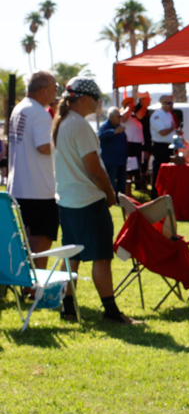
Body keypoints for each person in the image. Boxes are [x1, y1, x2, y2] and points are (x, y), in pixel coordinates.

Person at [51, 76, 139, 325]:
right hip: (88, 201)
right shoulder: (79, 125)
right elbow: (93, 167)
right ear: (84, 98)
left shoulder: (63, 122)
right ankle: (111, 312)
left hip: (68, 200)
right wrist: (110, 193)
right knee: (101, 256)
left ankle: (68, 308)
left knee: (72, 255)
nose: (98, 103)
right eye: (96, 98)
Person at [8, 70, 59, 267]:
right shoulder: (39, 113)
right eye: (55, 88)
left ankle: (27, 280)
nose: (56, 92)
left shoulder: (20, 108)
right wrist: (63, 143)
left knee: (29, 242)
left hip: (21, 187)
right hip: (39, 190)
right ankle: (36, 283)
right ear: (43, 90)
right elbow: (43, 146)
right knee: (41, 242)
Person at [98, 106, 129, 195]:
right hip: (110, 161)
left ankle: (120, 199)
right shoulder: (105, 126)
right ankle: (110, 198)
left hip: (121, 160)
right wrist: (114, 132)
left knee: (121, 183)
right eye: (118, 117)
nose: (120, 119)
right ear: (111, 117)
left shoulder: (119, 127)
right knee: (111, 182)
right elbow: (100, 136)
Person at [149, 95, 176, 191]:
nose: (171, 105)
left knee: (167, 172)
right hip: (160, 147)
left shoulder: (168, 114)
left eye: (172, 103)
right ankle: (156, 193)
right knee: (159, 172)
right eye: (169, 103)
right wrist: (172, 128)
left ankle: (165, 191)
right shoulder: (157, 115)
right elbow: (162, 132)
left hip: (168, 146)